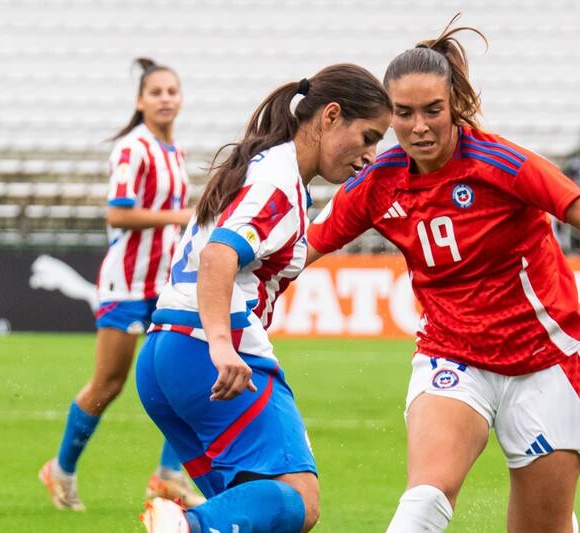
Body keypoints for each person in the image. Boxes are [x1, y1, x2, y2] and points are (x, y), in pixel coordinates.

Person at [306, 16, 580, 533]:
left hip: (547, 363)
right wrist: (237, 296)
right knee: (424, 500)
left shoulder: (502, 164)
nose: (419, 127)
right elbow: (302, 251)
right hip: (452, 356)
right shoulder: (379, 182)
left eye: (432, 111)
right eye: (404, 114)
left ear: (454, 105)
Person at [135, 65, 392, 533]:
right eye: (368, 136)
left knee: (248, 514)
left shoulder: (263, 166)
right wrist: (220, 344)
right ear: (331, 116)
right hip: (207, 351)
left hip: (162, 354)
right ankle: (180, 527)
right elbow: (218, 256)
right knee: (298, 498)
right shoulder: (279, 181)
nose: (371, 155)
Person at [39, 58, 203, 511]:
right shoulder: (133, 149)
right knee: (108, 383)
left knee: (186, 376)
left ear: (182, 98)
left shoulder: (175, 152)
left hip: (166, 284)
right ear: (140, 101)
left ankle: (169, 476)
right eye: (157, 92)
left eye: (172, 91)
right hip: (127, 285)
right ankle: (62, 469)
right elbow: (118, 212)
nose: (166, 98)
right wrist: (180, 216)